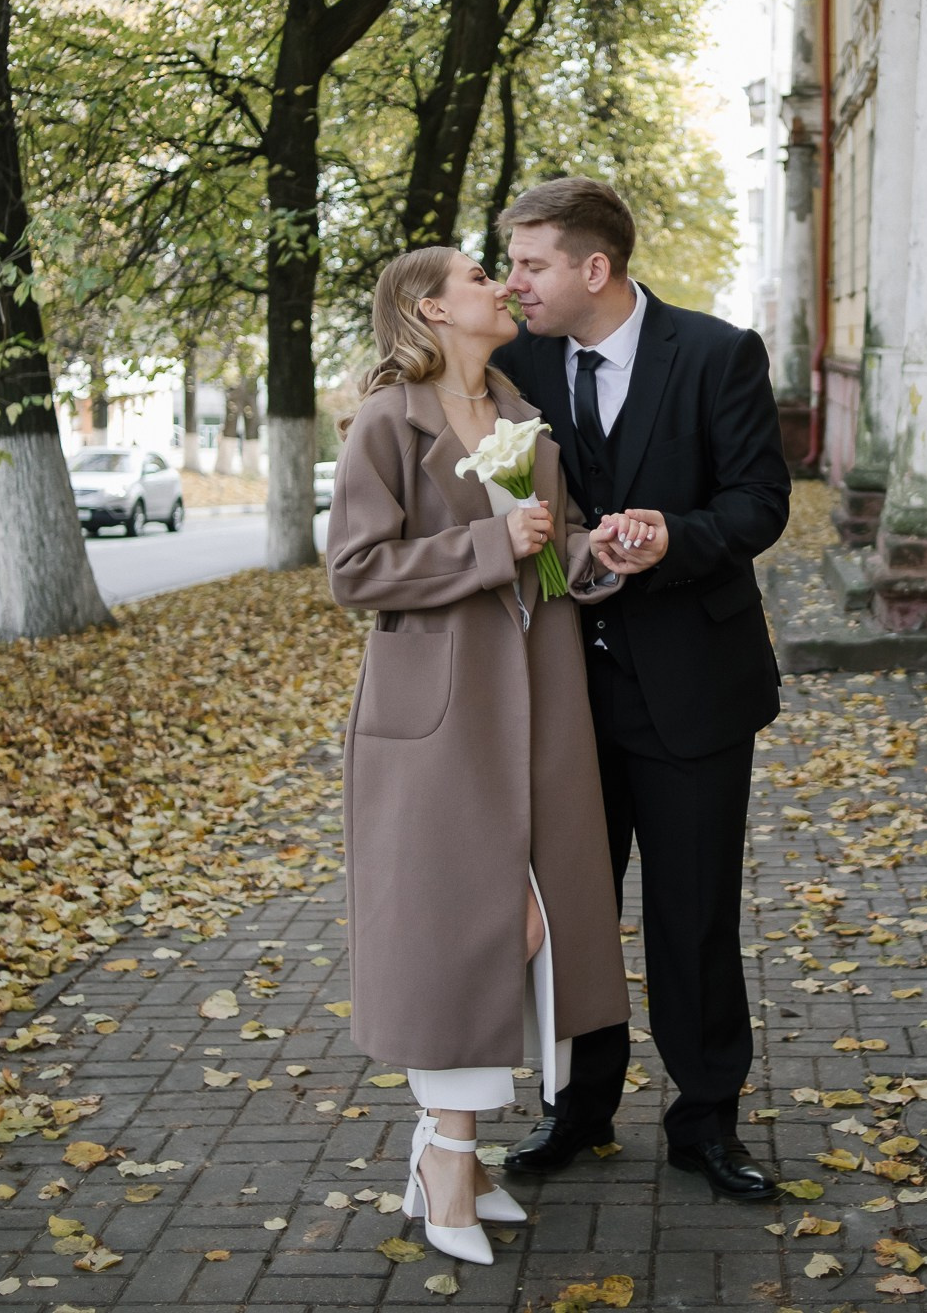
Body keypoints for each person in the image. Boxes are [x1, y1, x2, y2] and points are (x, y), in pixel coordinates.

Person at [325, 246, 630, 1266]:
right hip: (439, 721)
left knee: (534, 925)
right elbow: (357, 572)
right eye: (474, 276)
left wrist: (596, 553)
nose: (498, 285)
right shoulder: (387, 423)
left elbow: (547, 546)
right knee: (469, 929)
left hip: (540, 708)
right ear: (429, 307)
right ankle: (448, 1157)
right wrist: (489, 549)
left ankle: (451, 1151)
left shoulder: (518, 417)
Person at [493, 178, 791, 1201]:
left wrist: (675, 538)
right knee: (575, 912)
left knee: (694, 914)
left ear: (593, 268)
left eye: (530, 264)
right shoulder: (513, 365)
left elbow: (759, 504)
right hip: (561, 689)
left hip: (695, 688)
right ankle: (579, 1110)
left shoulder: (717, 353)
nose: (513, 283)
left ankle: (706, 1123)